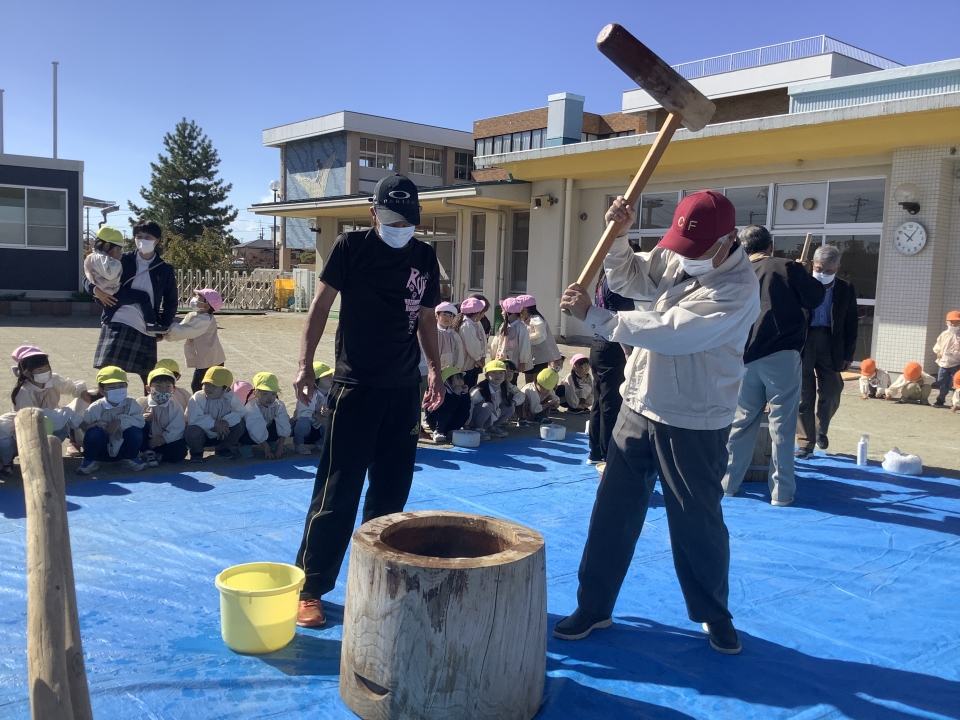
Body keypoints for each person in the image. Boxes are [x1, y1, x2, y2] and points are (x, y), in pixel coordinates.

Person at [556, 191, 760, 655]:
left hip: (694, 417)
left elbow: (673, 332)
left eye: (697, 249)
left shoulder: (737, 287)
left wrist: (596, 317)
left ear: (728, 239)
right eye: (681, 246)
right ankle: (594, 605)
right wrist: (618, 238)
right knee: (612, 512)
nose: (685, 257)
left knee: (697, 521)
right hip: (639, 402)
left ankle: (714, 612)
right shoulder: (677, 254)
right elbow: (629, 277)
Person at [291, 174, 443, 629]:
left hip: (403, 388)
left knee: (391, 493)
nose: (400, 228)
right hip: (355, 386)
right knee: (337, 491)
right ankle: (310, 587)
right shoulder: (350, 247)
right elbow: (320, 307)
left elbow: (427, 318)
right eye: (392, 220)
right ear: (373, 213)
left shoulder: (424, 256)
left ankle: (379, 579)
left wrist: (435, 368)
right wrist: (304, 365)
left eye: (408, 221)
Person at [721, 225, 825, 506]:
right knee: (782, 426)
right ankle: (781, 492)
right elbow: (815, 297)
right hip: (781, 354)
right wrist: (803, 273)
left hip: (743, 355)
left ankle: (727, 483)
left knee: (741, 422)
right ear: (770, 245)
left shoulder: (733, 271)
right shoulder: (785, 266)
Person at [87, 219, 178, 389]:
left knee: (149, 379)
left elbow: (171, 301)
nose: (143, 240)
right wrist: (95, 290)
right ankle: (104, 403)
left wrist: (163, 326)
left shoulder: (165, 268)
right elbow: (90, 275)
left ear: (157, 240)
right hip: (118, 319)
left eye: (148, 237)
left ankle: (153, 404)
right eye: (139, 236)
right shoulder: (121, 258)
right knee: (109, 375)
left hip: (147, 325)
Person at [795, 245, 858, 458]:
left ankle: (820, 428)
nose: (823, 273)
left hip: (831, 343)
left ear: (837, 269)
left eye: (829, 270)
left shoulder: (845, 289)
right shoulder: (802, 283)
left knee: (832, 390)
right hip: (804, 341)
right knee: (803, 394)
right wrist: (798, 273)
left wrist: (848, 355)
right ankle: (805, 442)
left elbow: (851, 323)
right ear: (813, 264)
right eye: (819, 269)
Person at [587, 277, 634, 465]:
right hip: (612, 348)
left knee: (599, 402)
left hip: (598, 346)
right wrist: (627, 350)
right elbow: (617, 320)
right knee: (610, 403)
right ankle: (607, 453)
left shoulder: (602, 281)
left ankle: (595, 451)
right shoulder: (616, 281)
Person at [10, 345, 89, 453]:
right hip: (34, 429)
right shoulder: (24, 391)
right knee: (60, 424)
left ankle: (76, 440)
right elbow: (28, 417)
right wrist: (65, 414)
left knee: (84, 399)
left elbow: (71, 387)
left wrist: (82, 392)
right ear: (27, 373)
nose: (45, 371)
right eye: (39, 369)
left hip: (54, 421)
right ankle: (41, 451)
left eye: (47, 367)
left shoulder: (53, 379)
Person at [85, 226, 163, 333]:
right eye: (118, 248)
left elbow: (88, 274)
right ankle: (151, 323)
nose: (119, 251)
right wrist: (96, 290)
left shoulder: (92, 257)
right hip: (112, 292)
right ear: (107, 245)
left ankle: (106, 319)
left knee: (119, 303)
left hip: (107, 294)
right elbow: (109, 275)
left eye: (147, 237)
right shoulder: (106, 259)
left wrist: (96, 290)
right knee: (143, 296)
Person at [77, 366, 147, 475]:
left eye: (121, 386)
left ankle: (130, 458)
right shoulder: (95, 407)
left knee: (135, 431)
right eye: (112, 387)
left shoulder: (132, 404)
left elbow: (140, 422)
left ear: (126, 386)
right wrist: (108, 429)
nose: (117, 390)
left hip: (123, 450)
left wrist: (120, 422)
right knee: (94, 432)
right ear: (101, 390)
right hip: (102, 451)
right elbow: (87, 428)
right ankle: (90, 460)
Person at [164, 288, 226, 392]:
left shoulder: (204, 319)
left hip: (210, 360)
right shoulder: (195, 315)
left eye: (198, 298)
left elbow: (185, 331)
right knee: (206, 385)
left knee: (199, 385)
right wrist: (167, 333)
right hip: (207, 358)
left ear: (206, 306)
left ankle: (203, 401)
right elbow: (182, 328)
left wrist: (167, 331)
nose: (194, 299)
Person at [184, 366, 247, 462]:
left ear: (226, 389)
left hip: (223, 434)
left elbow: (241, 412)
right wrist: (214, 423)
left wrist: (226, 422)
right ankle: (197, 452)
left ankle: (222, 448)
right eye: (207, 384)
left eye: (214, 386)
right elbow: (193, 419)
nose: (209, 388)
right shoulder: (197, 398)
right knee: (192, 430)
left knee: (240, 425)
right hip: (203, 436)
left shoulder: (231, 398)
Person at [137, 367, 188, 467]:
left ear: (174, 389)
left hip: (164, 442)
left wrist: (163, 439)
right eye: (158, 386)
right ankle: (146, 452)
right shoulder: (141, 403)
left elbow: (177, 428)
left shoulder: (175, 407)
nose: (164, 390)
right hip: (147, 441)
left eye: (168, 386)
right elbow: (132, 421)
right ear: (148, 388)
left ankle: (158, 456)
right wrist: (142, 418)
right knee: (139, 425)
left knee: (180, 450)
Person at [239, 372, 291, 459]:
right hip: (252, 431)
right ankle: (245, 445)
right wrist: (267, 450)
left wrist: (280, 446)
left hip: (265, 429)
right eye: (265, 394)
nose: (269, 398)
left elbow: (284, 424)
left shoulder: (278, 405)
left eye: (273, 394)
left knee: (278, 423)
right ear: (256, 393)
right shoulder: (251, 407)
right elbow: (256, 428)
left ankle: (272, 442)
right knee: (245, 429)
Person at [466, 360, 515, 439]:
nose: (498, 375)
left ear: (504, 376)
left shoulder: (505, 388)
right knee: (487, 406)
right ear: (486, 375)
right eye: (493, 372)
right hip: (474, 419)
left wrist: (514, 401)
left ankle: (491, 428)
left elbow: (520, 395)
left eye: (501, 373)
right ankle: (477, 429)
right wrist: (466, 423)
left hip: (491, 416)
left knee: (510, 407)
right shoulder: (480, 390)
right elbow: (469, 406)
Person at [519, 295, 562, 384]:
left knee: (538, 380)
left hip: (540, 356)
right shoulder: (526, 320)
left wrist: (525, 339)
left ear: (524, 309)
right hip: (531, 356)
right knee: (529, 380)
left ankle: (537, 393)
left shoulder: (536, 319)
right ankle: (530, 392)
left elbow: (540, 336)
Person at [293, 362, 333, 455]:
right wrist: (317, 416)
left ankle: (322, 443)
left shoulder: (332, 393)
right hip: (307, 430)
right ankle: (299, 444)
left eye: (331, 375)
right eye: (326, 376)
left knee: (332, 420)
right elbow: (302, 414)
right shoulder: (307, 394)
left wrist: (328, 412)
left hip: (319, 429)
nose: (331, 378)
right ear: (316, 381)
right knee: (303, 421)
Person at [425, 367, 472, 443]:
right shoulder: (440, 393)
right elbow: (448, 408)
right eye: (457, 379)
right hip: (435, 421)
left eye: (461, 378)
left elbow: (466, 408)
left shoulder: (459, 391)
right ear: (447, 382)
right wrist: (455, 395)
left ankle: (451, 430)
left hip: (450, 420)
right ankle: (438, 432)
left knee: (465, 413)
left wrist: (465, 394)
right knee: (446, 413)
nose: (461, 382)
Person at [491, 297, 532, 373]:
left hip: (513, 363)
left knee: (511, 378)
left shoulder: (521, 327)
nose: (502, 313)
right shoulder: (503, 325)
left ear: (511, 314)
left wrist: (523, 362)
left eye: (503, 311)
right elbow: (495, 342)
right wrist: (493, 356)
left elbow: (524, 346)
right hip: (500, 361)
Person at [455, 297, 487, 387]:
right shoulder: (467, 325)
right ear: (476, 313)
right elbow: (472, 344)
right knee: (468, 387)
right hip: (467, 365)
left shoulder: (474, 323)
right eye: (482, 313)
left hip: (471, 364)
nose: (483, 316)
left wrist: (482, 356)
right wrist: (477, 358)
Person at [932, 311, 960, 407]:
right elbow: (938, 344)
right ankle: (940, 399)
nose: (953, 324)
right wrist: (938, 352)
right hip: (944, 363)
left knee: (957, 383)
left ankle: (955, 402)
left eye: (956, 322)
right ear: (946, 322)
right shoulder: (944, 334)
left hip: (957, 363)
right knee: (942, 382)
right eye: (951, 322)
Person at [435, 301, 465, 371]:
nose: (447, 318)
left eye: (450, 316)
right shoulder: (433, 332)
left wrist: (458, 366)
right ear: (437, 316)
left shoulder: (453, 334)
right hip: (435, 368)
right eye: (444, 315)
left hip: (450, 369)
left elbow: (459, 351)